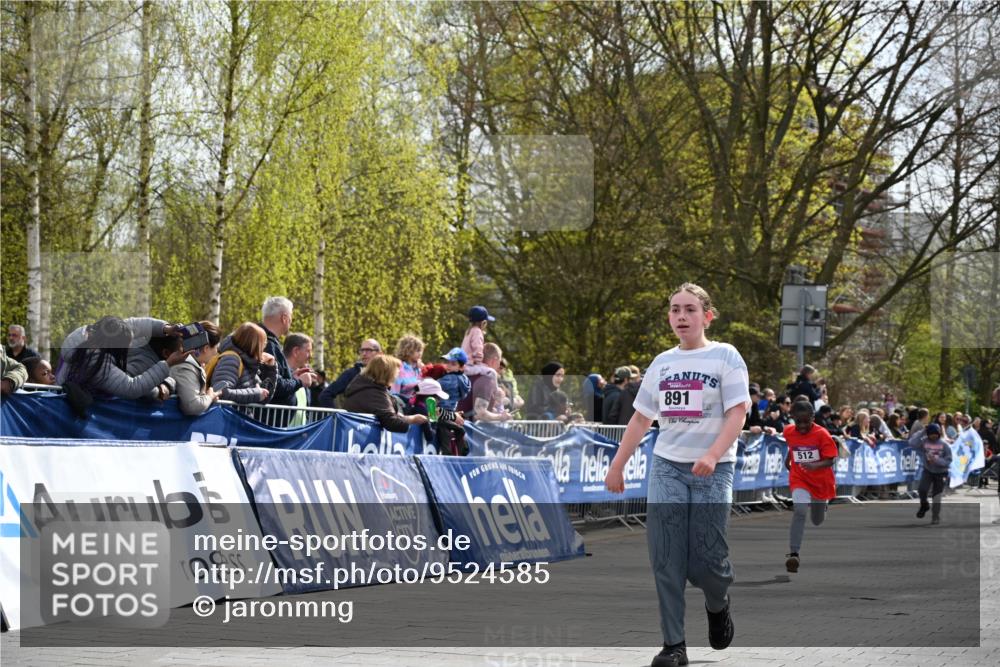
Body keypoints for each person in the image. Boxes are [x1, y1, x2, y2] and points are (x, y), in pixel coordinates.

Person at [605, 283, 749, 667]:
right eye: (674, 310)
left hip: (713, 469)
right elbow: (641, 418)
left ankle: (718, 603)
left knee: (707, 560)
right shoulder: (661, 363)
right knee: (666, 556)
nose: (681, 316)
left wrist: (713, 454)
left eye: (690, 309)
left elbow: (738, 413)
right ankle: (674, 645)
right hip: (667, 465)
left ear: (707, 316)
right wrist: (618, 464)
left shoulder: (726, 356)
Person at [61, 316, 191, 401]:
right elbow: (131, 387)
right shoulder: (97, 363)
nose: (129, 348)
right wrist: (168, 364)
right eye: (126, 345)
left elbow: (133, 324)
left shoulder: (94, 333)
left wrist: (166, 328)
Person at [782, 400, 838, 573]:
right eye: (798, 421)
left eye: (806, 421)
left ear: (813, 418)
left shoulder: (822, 434)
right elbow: (792, 446)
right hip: (799, 478)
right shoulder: (788, 431)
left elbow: (831, 459)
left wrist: (815, 465)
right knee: (799, 510)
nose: (802, 425)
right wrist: (787, 460)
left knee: (817, 520)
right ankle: (794, 554)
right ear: (793, 418)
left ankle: (823, 505)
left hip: (820, 482)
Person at [259, 298, 318, 418]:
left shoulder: (265, 342)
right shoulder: (267, 344)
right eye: (291, 317)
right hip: (267, 421)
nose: (291, 321)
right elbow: (273, 384)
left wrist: (292, 377)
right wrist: (299, 382)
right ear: (284, 318)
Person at [343, 354, 428, 432]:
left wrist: (400, 416)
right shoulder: (375, 393)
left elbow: (385, 414)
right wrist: (412, 419)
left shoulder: (364, 387)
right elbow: (392, 423)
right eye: (396, 373)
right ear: (387, 373)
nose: (397, 376)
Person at [209, 322, 275, 405]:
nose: (264, 348)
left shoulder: (248, 363)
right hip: (227, 413)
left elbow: (264, 397)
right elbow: (220, 392)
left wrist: (270, 368)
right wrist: (255, 394)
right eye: (263, 343)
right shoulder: (231, 359)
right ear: (253, 344)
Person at [171, 321, 221, 416]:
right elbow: (192, 406)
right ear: (206, 348)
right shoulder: (186, 368)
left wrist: (206, 399)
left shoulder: (190, 365)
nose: (217, 352)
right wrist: (210, 397)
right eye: (216, 347)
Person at [909, 423, 952, 525]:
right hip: (928, 471)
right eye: (931, 434)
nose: (934, 436)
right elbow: (912, 443)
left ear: (939, 434)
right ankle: (924, 505)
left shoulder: (944, 444)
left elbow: (948, 460)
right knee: (922, 489)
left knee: (936, 495)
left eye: (936, 434)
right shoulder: (924, 442)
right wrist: (922, 431)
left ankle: (935, 516)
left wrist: (937, 460)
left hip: (941, 473)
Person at [318, 338, 382, 408]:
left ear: (379, 354)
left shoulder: (387, 374)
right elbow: (325, 395)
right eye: (362, 350)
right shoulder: (352, 374)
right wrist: (335, 414)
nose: (364, 354)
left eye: (368, 350)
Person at [457, 343, 511, 423]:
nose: (499, 365)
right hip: (469, 428)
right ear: (494, 360)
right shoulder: (487, 379)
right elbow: (479, 413)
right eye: (499, 361)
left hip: (458, 425)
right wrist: (501, 417)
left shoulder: (469, 374)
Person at [283, 332, 314, 425]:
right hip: (281, 432)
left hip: (300, 433)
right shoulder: (280, 375)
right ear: (296, 351)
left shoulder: (304, 376)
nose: (311, 355)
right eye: (308, 351)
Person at [391, 334, 424, 401]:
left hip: (420, 403)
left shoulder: (421, 368)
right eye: (417, 350)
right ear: (408, 350)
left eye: (421, 350)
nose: (420, 353)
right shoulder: (399, 368)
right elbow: (394, 392)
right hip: (403, 403)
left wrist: (424, 369)